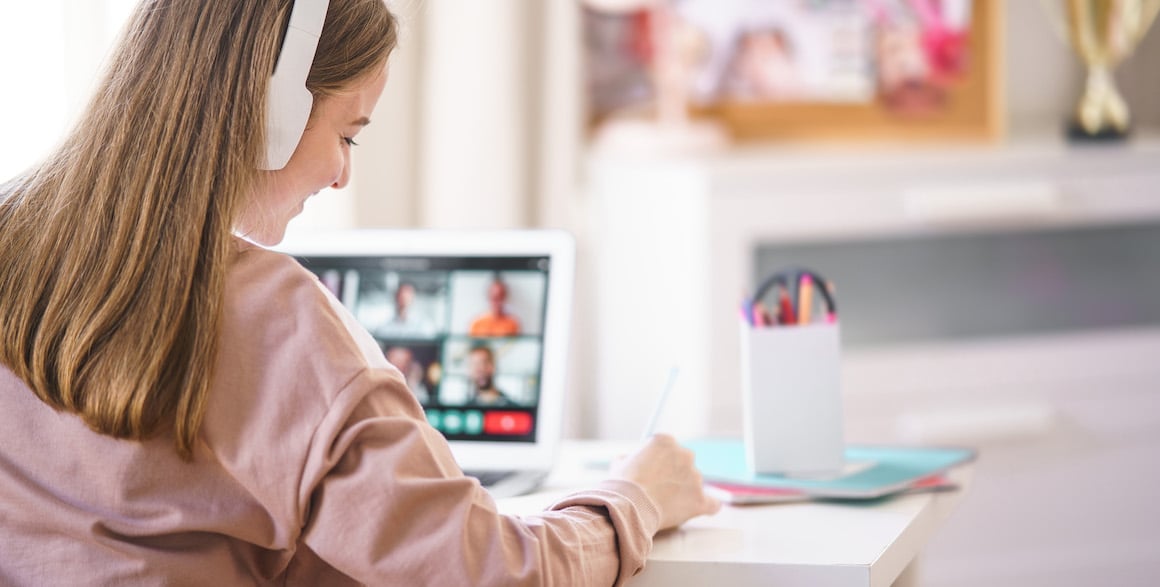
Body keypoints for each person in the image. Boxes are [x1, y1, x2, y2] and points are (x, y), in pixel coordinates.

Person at [0, 1, 719, 585]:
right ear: (271, 106)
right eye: (349, 132)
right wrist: (637, 494)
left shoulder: (12, 235)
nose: (342, 173)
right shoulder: (273, 316)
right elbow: (495, 573)